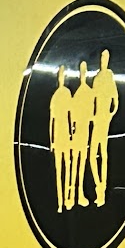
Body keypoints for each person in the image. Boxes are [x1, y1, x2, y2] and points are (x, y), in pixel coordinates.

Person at [88, 47, 119, 208]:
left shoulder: (109, 76)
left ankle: (103, 191)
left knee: (103, 153)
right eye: (102, 58)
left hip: (104, 120)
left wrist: (110, 115)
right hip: (97, 119)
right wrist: (92, 115)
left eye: (105, 58)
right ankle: (98, 186)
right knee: (92, 155)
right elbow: (92, 100)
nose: (103, 61)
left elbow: (116, 100)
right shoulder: (97, 78)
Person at [67, 59, 93, 211]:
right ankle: (71, 195)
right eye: (81, 72)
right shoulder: (76, 94)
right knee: (74, 163)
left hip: (84, 133)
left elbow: (92, 114)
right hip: (77, 133)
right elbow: (71, 116)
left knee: (81, 164)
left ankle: (79, 193)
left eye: (84, 72)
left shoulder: (88, 93)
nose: (83, 75)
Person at [48, 66, 73, 212]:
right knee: (59, 171)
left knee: (68, 167)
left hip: (65, 136)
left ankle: (68, 198)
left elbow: (70, 116)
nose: (61, 78)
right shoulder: (55, 97)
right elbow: (51, 120)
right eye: (60, 76)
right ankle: (60, 202)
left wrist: (71, 135)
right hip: (58, 137)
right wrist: (51, 141)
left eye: (63, 76)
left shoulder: (67, 94)